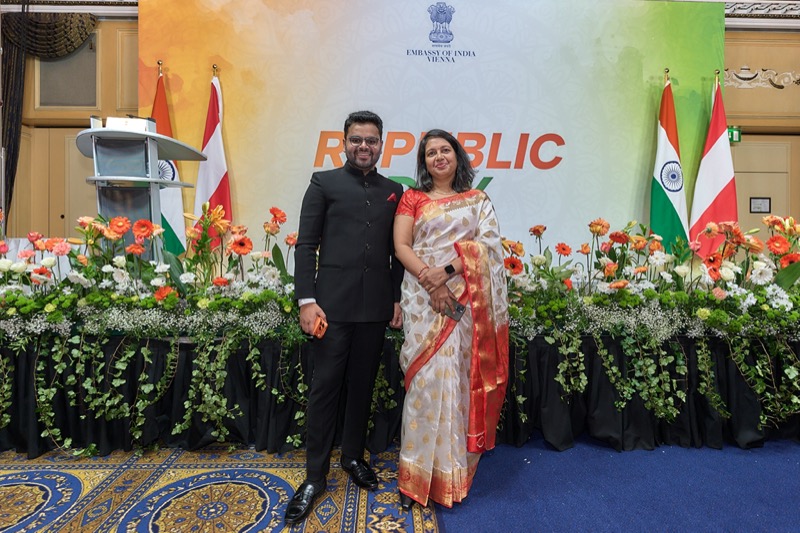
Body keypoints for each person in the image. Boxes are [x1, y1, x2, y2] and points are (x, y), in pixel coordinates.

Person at [286, 110, 404, 524]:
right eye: (356, 140)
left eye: (371, 140)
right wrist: (306, 301)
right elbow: (306, 246)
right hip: (330, 308)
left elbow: (397, 253)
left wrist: (396, 299)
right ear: (344, 142)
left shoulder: (394, 191)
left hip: (374, 310)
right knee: (325, 390)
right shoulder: (324, 183)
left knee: (363, 386)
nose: (363, 147)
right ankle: (314, 477)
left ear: (381, 144)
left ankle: (352, 456)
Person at [393, 129, 509, 509]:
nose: (439, 157)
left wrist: (446, 272)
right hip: (422, 301)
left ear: (457, 157)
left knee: (457, 383)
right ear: (424, 162)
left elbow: (487, 247)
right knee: (424, 385)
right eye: (431, 153)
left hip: (464, 300)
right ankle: (414, 479)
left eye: (445, 150)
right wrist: (429, 280)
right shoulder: (413, 198)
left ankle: (450, 471)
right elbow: (401, 245)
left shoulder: (477, 200)